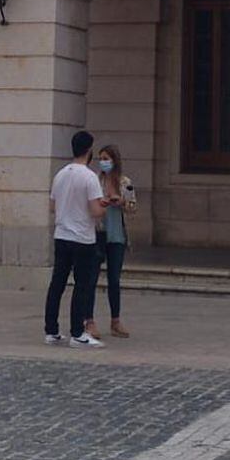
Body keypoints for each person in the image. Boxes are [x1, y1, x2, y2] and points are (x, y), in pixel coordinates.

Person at [44, 130, 105, 348]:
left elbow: (52, 206)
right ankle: (78, 332)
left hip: (61, 235)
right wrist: (105, 205)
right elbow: (95, 211)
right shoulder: (89, 177)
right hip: (82, 237)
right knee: (82, 285)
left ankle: (51, 330)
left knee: (57, 283)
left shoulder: (60, 174)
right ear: (89, 150)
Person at [83, 143, 137, 340]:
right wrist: (102, 202)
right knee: (91, 278)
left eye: (107, 158)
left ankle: (116, 321)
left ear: (115, 160)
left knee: (114, 279)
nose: (103, 162)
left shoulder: (124, 182)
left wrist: (120, 201)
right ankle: (89, 320)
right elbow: (87, 203)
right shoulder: (95, 180)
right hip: (98, 233)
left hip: (116, 235)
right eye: (101, 158)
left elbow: (132, 206)